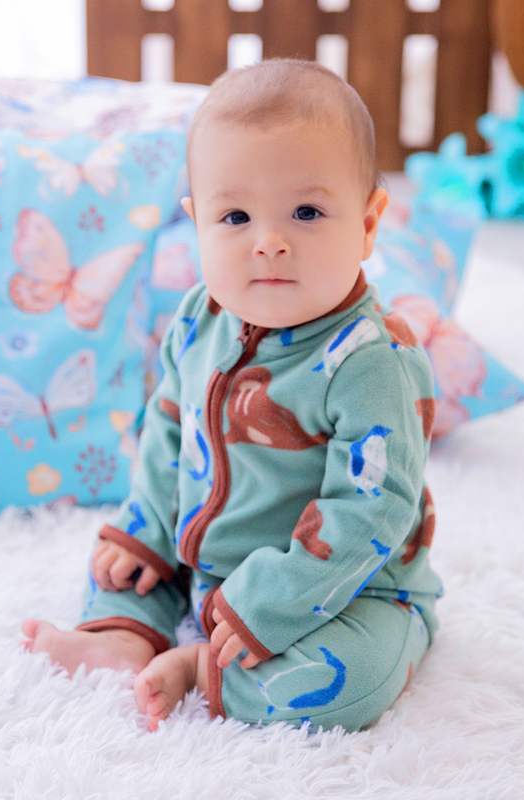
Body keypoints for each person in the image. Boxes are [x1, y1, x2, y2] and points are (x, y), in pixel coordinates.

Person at [22, 58, 443, 733]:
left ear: (368, 223)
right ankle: (126, 637)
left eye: (307, 211)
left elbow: (369, 513)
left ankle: (196, 665)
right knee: (120, 567)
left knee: (344, 683)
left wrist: (269, 607)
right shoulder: (199, 318)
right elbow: (166, 434)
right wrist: (147, 538)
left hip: (350, 591)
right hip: (206, 569)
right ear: (197, 223)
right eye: (236, 215)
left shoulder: (372, 360)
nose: (269, 243)